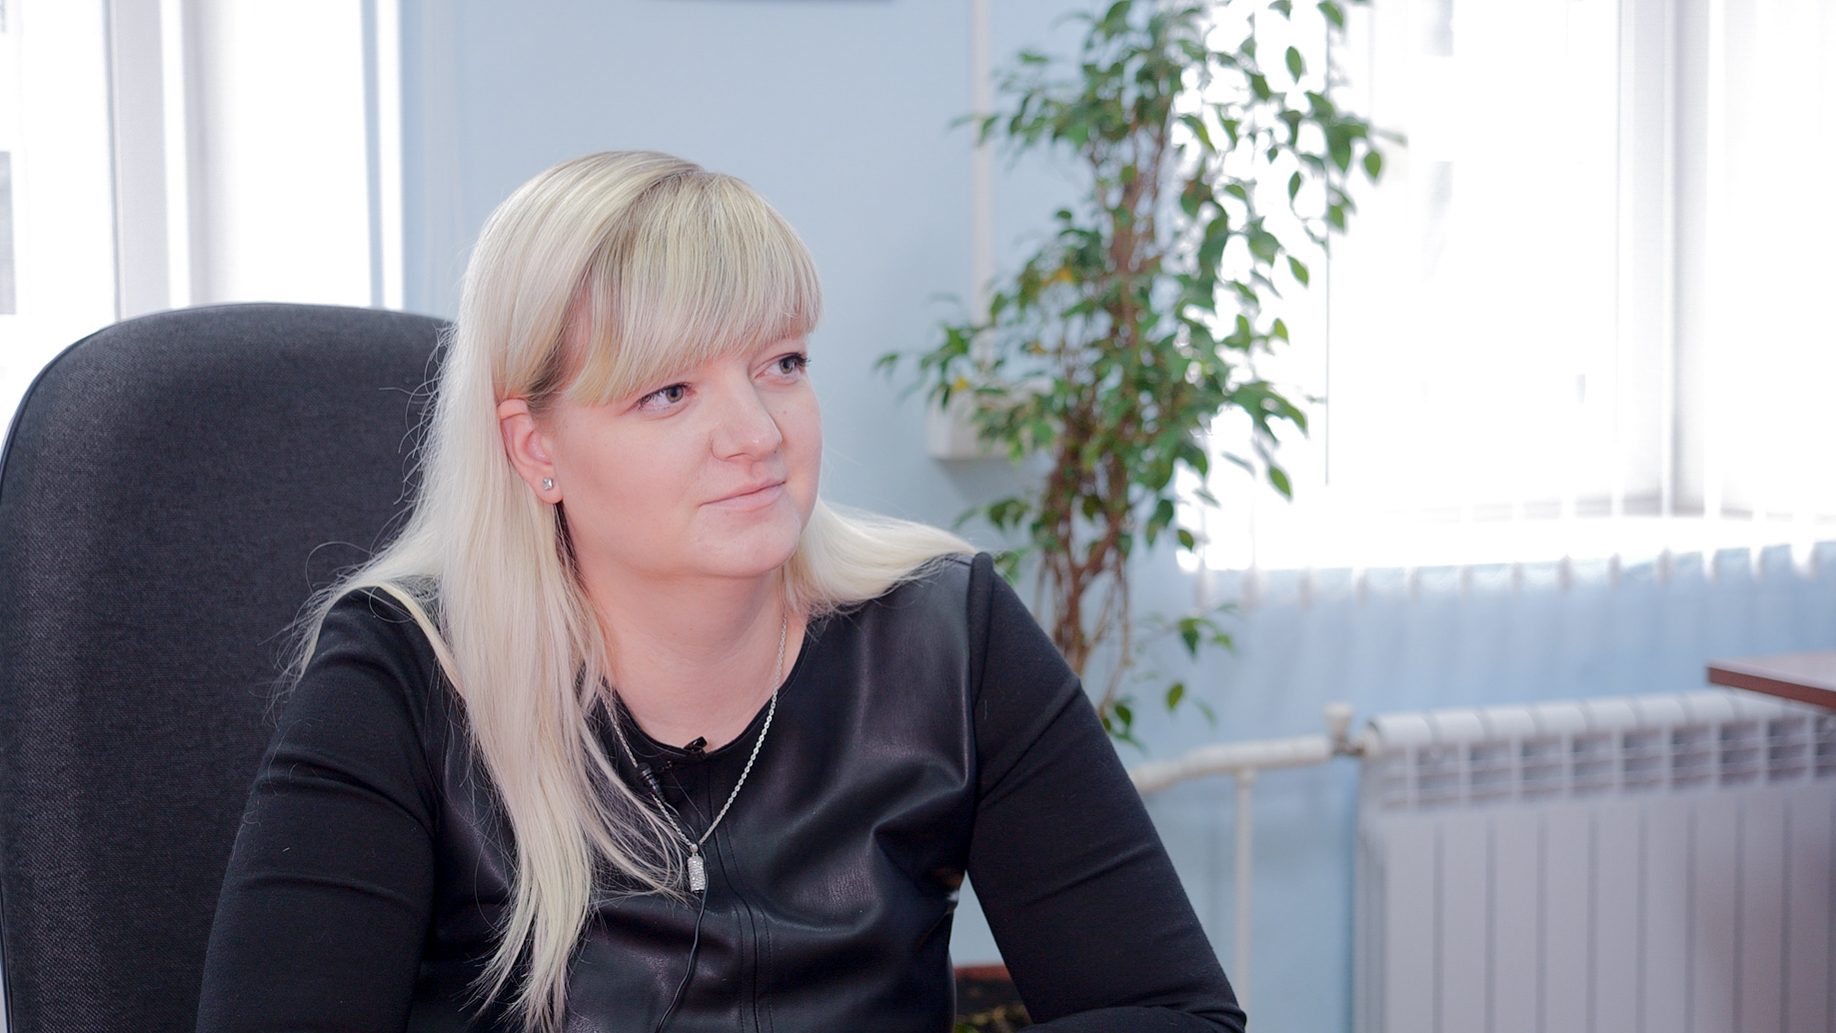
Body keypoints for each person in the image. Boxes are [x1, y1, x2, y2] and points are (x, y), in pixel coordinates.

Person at [195, 151, 1244, 1033]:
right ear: (535, 448)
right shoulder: (410, 675)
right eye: (670, 391)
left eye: (781, 364)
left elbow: (1170, 1012)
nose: (756, 434)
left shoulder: (943, 633)